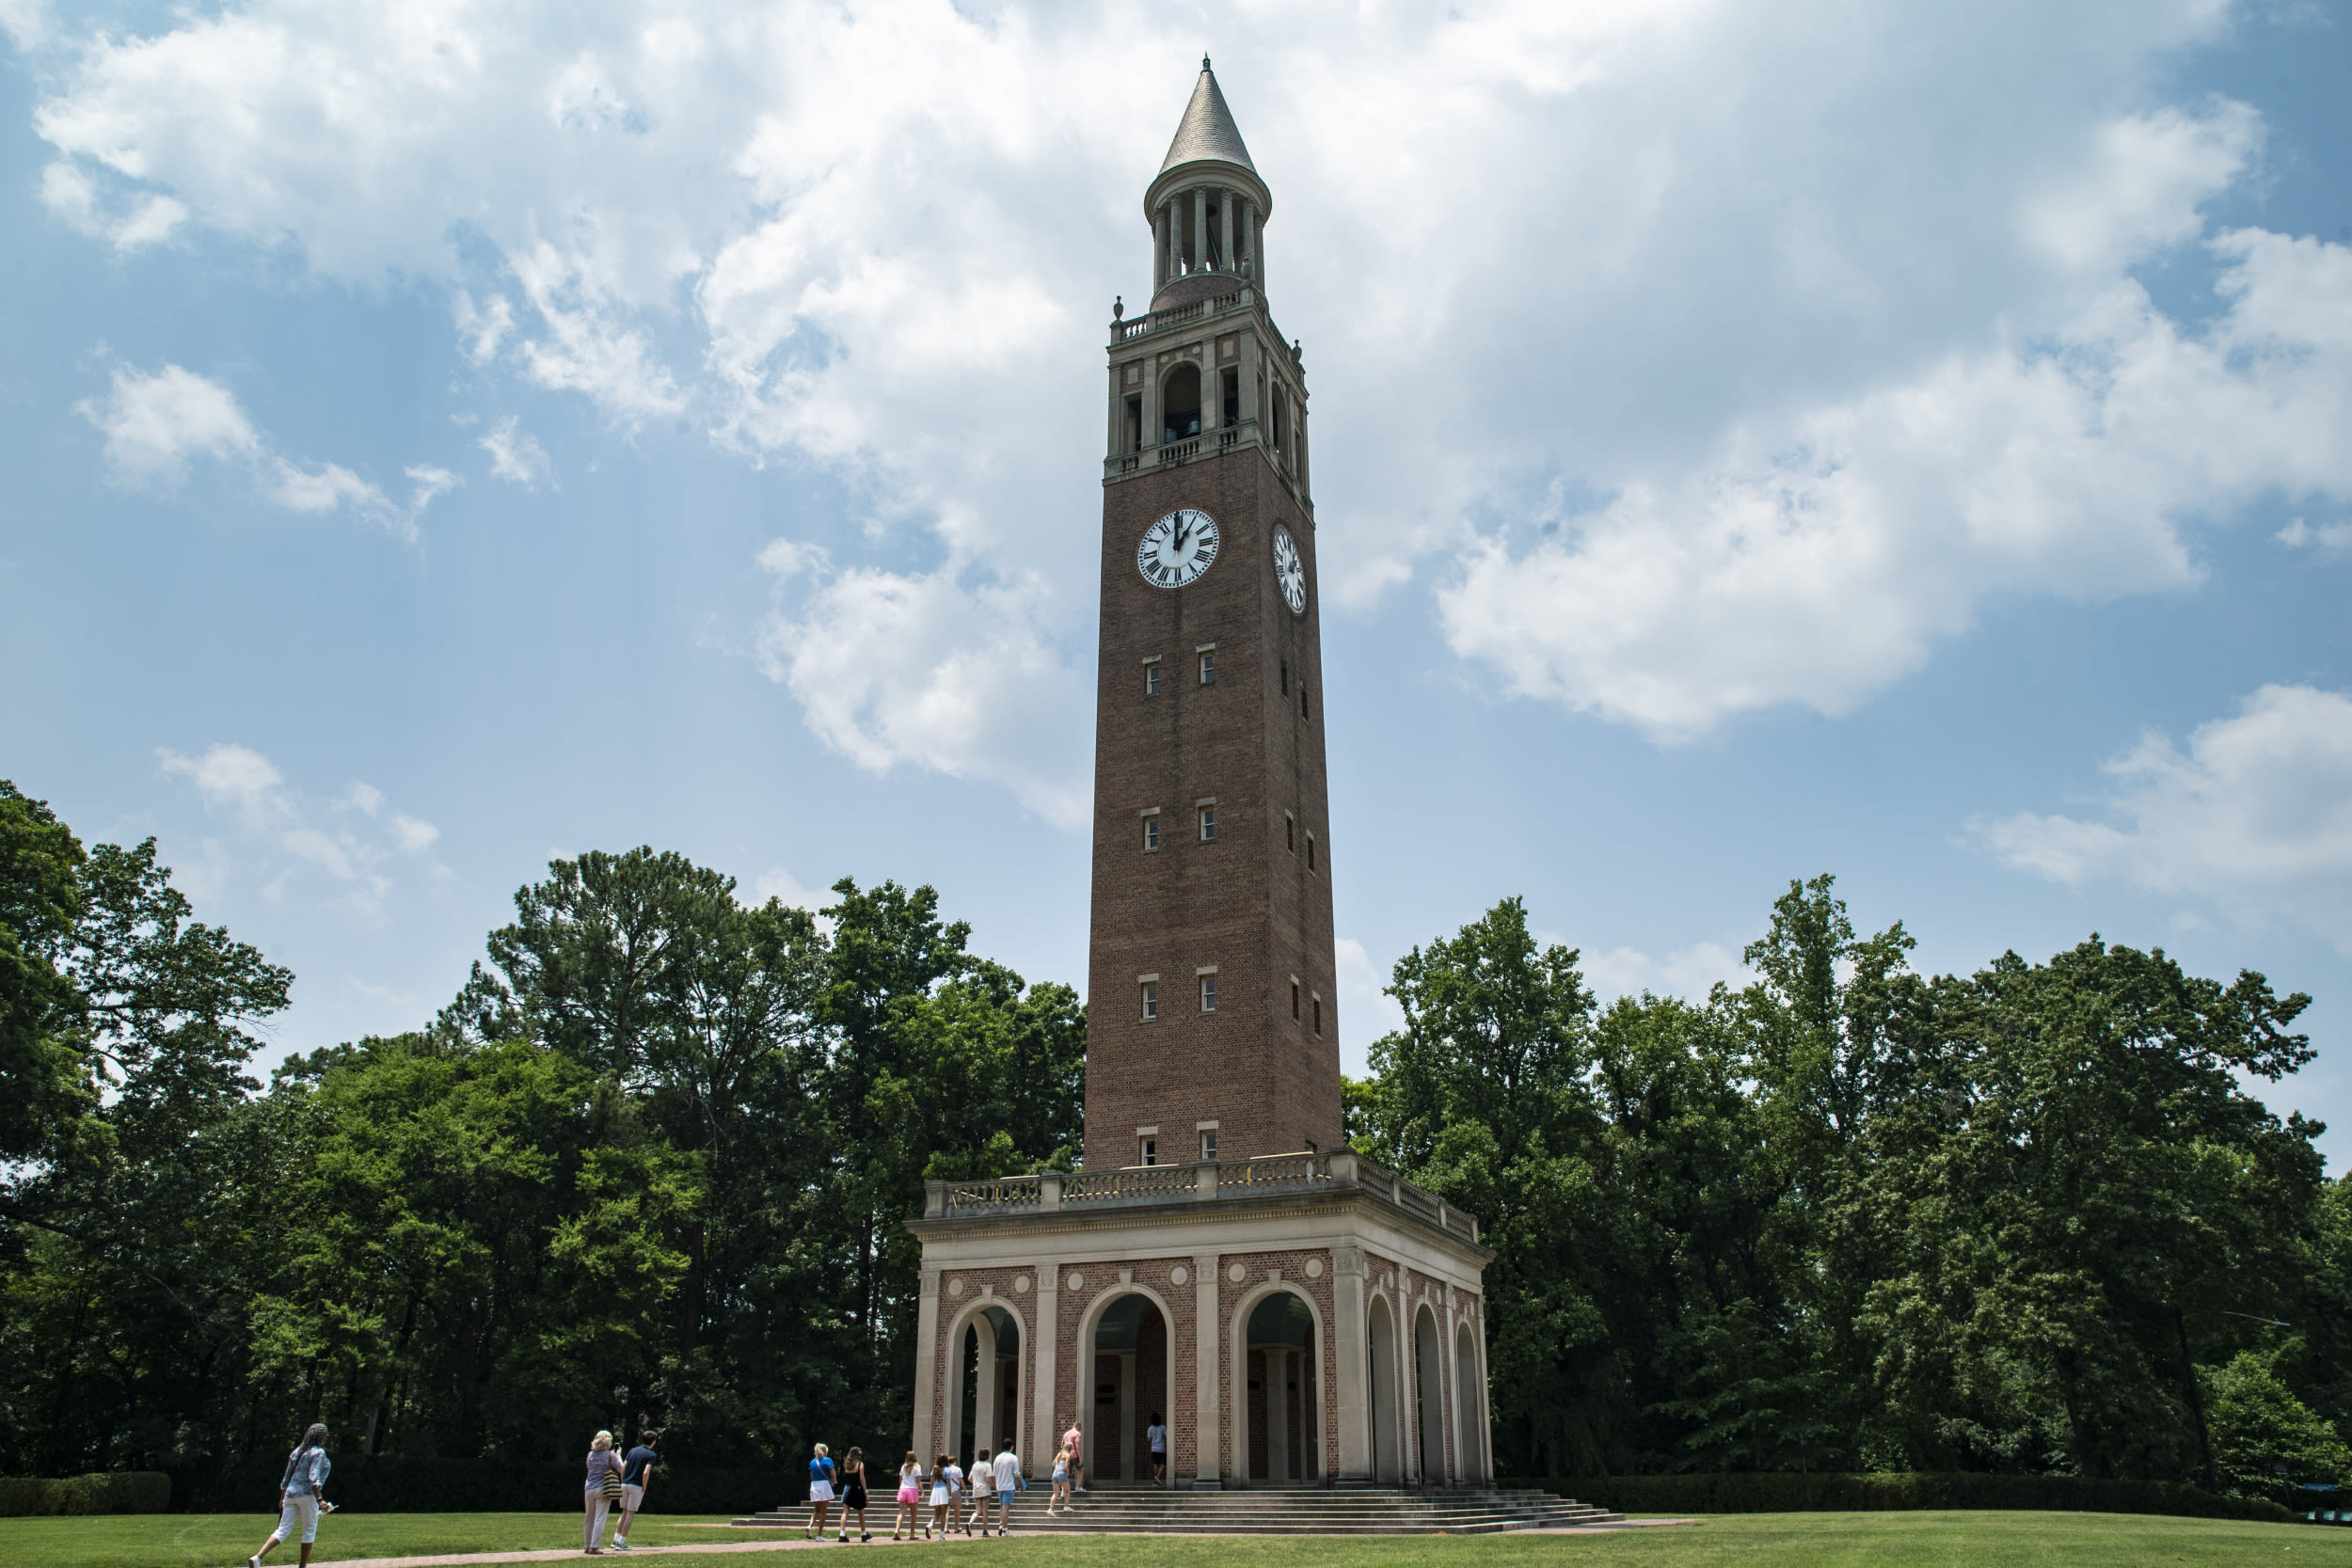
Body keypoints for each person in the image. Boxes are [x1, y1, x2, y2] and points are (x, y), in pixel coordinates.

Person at [247, 1422, 331, 1568]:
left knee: (283, 1529)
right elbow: (313, 1478)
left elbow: (287, 1477)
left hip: (291, 1495)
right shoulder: (318, 1452)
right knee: (309, 1531)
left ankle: (258, 1557)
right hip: (307, 1496)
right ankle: (302, 1566)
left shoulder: (297, 1451)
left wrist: (282, 1497)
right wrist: (320, 1499)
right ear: (321, 1437)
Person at [611, 1430, 658, 1552]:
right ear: (653, 1441)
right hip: (636, 1485)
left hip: (625, 1483)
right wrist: (644, 1486)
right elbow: (646, 1472)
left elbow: (623, 1468)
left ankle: (615, 1540)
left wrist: (623, 1480)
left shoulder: (633, 1451)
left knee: (624, 1512)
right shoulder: (651, 1455)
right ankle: (622, 1541)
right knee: (631, 1513)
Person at [582, 1431, 624, 1555]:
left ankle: (587, 1545)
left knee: (589, 1518)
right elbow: (621, 1468)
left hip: (589, 1488)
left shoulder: (590, 1455)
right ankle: (595, 1547)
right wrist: (618, 1455)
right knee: (600, 1518)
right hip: (603, 1488)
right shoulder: (610, 1455)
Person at [835, 1446, 870, 1544]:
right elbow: (862, 1479)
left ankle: (842, 1534)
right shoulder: (860, 1465)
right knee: (860, 1513)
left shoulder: (846, 1464)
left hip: (847, 1488)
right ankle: (863, 1533)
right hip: (857, 1490)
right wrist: (866, 1492)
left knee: (845, 1512)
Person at [805, 1443, 835, 1542]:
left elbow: (811, 1475)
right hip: (824, 1485)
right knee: (823, 1512)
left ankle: (809, 1525)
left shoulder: (812, 1462)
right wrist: (834, 1482)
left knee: (816, 1509)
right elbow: (833, 1474)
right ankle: (819, 1535)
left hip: (814, 1485)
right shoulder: (828, 1460)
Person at [990, 1443, 1021, 1536]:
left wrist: (995, 1485)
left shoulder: (997, 1458)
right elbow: (1016, 1473)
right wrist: (1021, 1485)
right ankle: (1005, 1529)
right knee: (1005, 1507)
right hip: (1009, 1486)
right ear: (1011, 1447)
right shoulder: (1013, 1458)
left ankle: (1001, 1524)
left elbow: (994, 1474)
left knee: (1002, 1506)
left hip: (999, 1487)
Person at [893, 1451, 923, 1540]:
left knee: (902, 1512)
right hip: (912, 1489)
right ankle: (912, 1534)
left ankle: (897, 1530)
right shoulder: (917, 1467)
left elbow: (900, 1480)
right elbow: (918, 1481)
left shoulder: (903, 1467)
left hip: (903, 1489)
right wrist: (922, 1491)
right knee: (913, 1514)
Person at [966, 1449, 993, 1536]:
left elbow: (969, 1478)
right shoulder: (987, 1465)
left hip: (976, 1490)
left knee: (977, 1510)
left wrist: (976, 1484)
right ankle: (985, 1531)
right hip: (985, 1490)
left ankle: (970, 1523)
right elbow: (988, 1479)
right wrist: (994, 1486)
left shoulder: (975, 1465)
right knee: (985, 1511)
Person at [927, 1453, 953, 1538]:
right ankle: (941, 1535)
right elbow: (948, 1484)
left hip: (935, 1491)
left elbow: (931, 1483)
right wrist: (950, 1495)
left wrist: (932, 1492)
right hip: (943, 1491)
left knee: (937, 1513)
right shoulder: (947, 1470)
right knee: (943, 1514)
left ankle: (930, 1525)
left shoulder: (934, 1470)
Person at [1046, 1444, 1072, 1515]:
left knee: (1056, 1493)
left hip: (1055, 1473)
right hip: (1062, 1473)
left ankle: (1050, 1509)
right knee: (1068, 1491)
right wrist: (1068, 1472)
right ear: (1070, 1449)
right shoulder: (1068, 1455)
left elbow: (1053, 1464)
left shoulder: (1059, 1454)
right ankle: (1066, 1506)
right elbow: (1066, 1466)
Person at [1062, 1418, 1085, 1495]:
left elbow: (1062, 1445)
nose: (1079, 1430)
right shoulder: (1077, 1434)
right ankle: (1078, 1487)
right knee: (1081, 1469)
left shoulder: (1065, 1434)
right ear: (1078, 1426)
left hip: (1066, 1455)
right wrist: (1080, 1459)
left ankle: (1063, 1491)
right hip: (1074, 1455)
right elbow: (1077, 1446)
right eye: (1080, 1428)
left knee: (1065, 1472)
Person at [1146, 1411, 1168, 1483]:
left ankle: (1156, 1478)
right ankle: (1158, 1477)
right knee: (1163, 1464)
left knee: (1155, 1463)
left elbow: (1148, 1439)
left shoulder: (1150, 1428)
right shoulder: (1163, 1427)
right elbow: (1166, 1437)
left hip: (1153, 1448)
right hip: (1161, 1448)